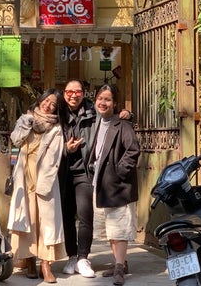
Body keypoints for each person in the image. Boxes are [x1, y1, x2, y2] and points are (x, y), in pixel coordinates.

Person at [61, 80, 132, 278]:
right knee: (67, 217)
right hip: (63, 171)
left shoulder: (94, 112)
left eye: (77, 91)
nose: (73, 95)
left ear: (84, 94)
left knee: (85, 216)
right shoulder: (58, 113)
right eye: (69, 91)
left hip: (85, 172)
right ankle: (72, 256)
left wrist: (128, 114)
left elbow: (114, 118)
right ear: (64, 93)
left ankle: (83, 257)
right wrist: (66, 149)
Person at [8, 89, 67, 284]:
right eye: (46, 101)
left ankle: (46, 264)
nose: (48, 105)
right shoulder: (26, 119)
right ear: (40, 100)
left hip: (44, 178)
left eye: (53, 104)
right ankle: (30, 260)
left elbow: (54, 157)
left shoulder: (56, 128)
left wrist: (43, 183)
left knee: (46, 222)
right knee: (28, 219)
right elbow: (15, 140)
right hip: (24, 178)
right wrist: (26, 124)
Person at [89, 84, 140, 286]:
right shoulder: (97, 122)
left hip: (118, 186)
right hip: (101, 183)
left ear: (115, 103)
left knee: (119, 229)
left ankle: (119, 267)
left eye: (107, 99)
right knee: (110, 229)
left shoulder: (122, 124)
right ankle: (121, 262)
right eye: (100, 98)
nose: (103, 102)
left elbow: (132, 150)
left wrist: (119, 172)